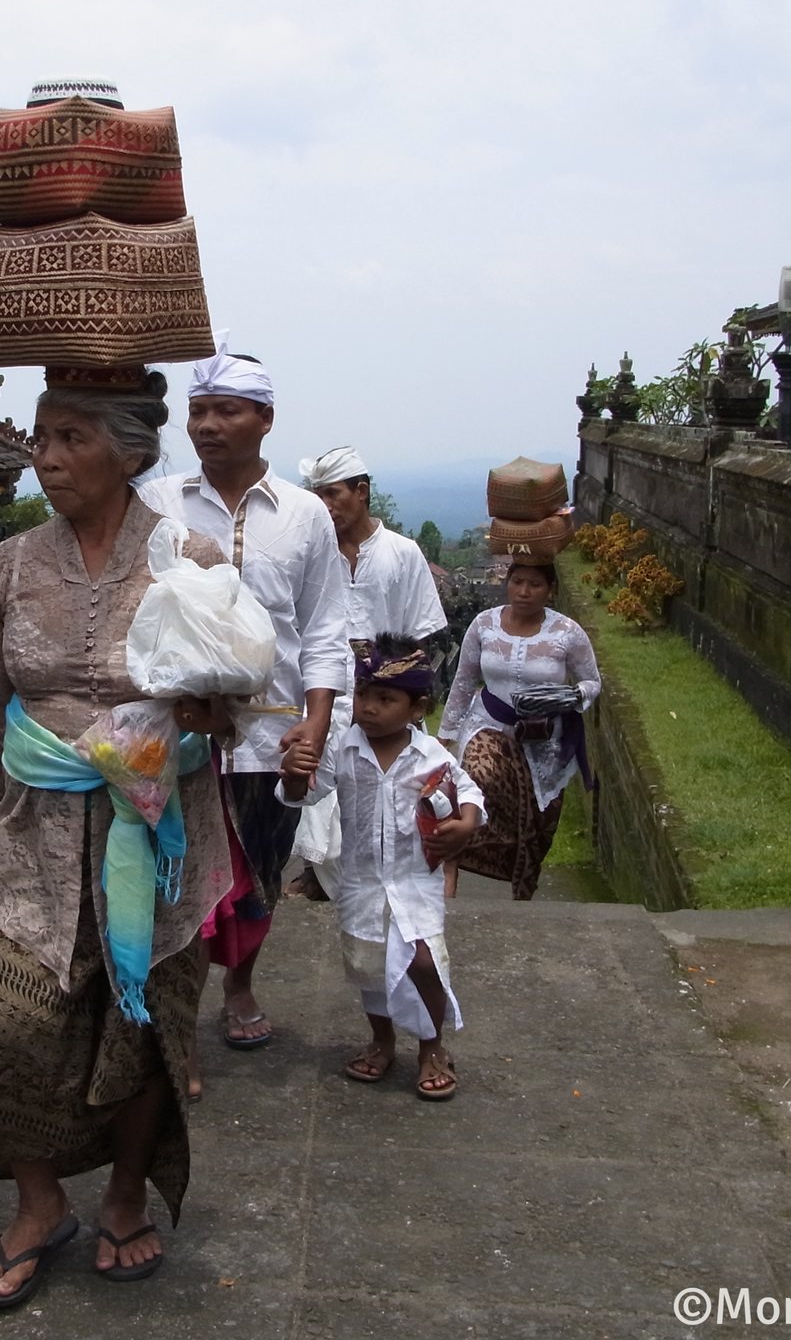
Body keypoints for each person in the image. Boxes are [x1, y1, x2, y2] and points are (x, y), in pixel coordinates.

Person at [0, 367, 235, 1307]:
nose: (46, 457)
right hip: (35, 839)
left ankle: (129, 1194)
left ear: (131, 451)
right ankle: (36, 1201)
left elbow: (232, 716)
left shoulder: (193, 558)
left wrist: (204, 707)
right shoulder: (14, 567)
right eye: (41, 436)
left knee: (140, 1031)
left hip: (159, 838)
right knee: (12, 1026)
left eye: (71, 439)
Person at [139, 338, 348, 1071]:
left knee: (259, 872)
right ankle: (179, 1013)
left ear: (264, 420)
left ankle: (242, 986)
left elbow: (324, 631)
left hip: (271, 736)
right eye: (197, 411)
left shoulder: (305, 517)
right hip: (180, 731)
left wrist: (313, 728)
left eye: (226, 411)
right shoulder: (157, 503)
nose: (206, 425)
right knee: (181, 877)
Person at [281, 636, 483, 1101]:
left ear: (417, 707)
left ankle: (432, 1046)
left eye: (385, 699)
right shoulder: (344, 750)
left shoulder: (430, 754)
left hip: (415, 882)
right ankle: (382, 1039)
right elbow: (304, 794)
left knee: (425, 962)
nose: (369, 708)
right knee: (368, 966)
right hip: (363, 883)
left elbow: (468, 791)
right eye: (365, 695)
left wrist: (466, 822)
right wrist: (293, 773)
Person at [289, 446, 450, 903]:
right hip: (321, 692)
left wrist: (409, 700)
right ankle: (317, 876)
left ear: (362, 493)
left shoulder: (402, 553)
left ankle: (378, 884)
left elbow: (421, 632)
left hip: (384, 697)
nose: (324, 505)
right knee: (318, 786)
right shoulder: (310, 554)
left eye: (332, 494)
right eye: (316, 495)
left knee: (380, 793)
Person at [438, 557, 601, 899]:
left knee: (538, 824)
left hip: (544, 740)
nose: (524, 592)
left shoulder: (567, 634)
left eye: (535, 585)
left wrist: (570, 696)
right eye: (518, 582)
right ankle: (451, 868)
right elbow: (464, 681)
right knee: (480, 776)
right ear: (507, 583)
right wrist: (446, 735)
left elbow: (592, 682)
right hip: (488, 724)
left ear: (551, 590)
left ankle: (521, 884)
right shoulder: (484, 625)